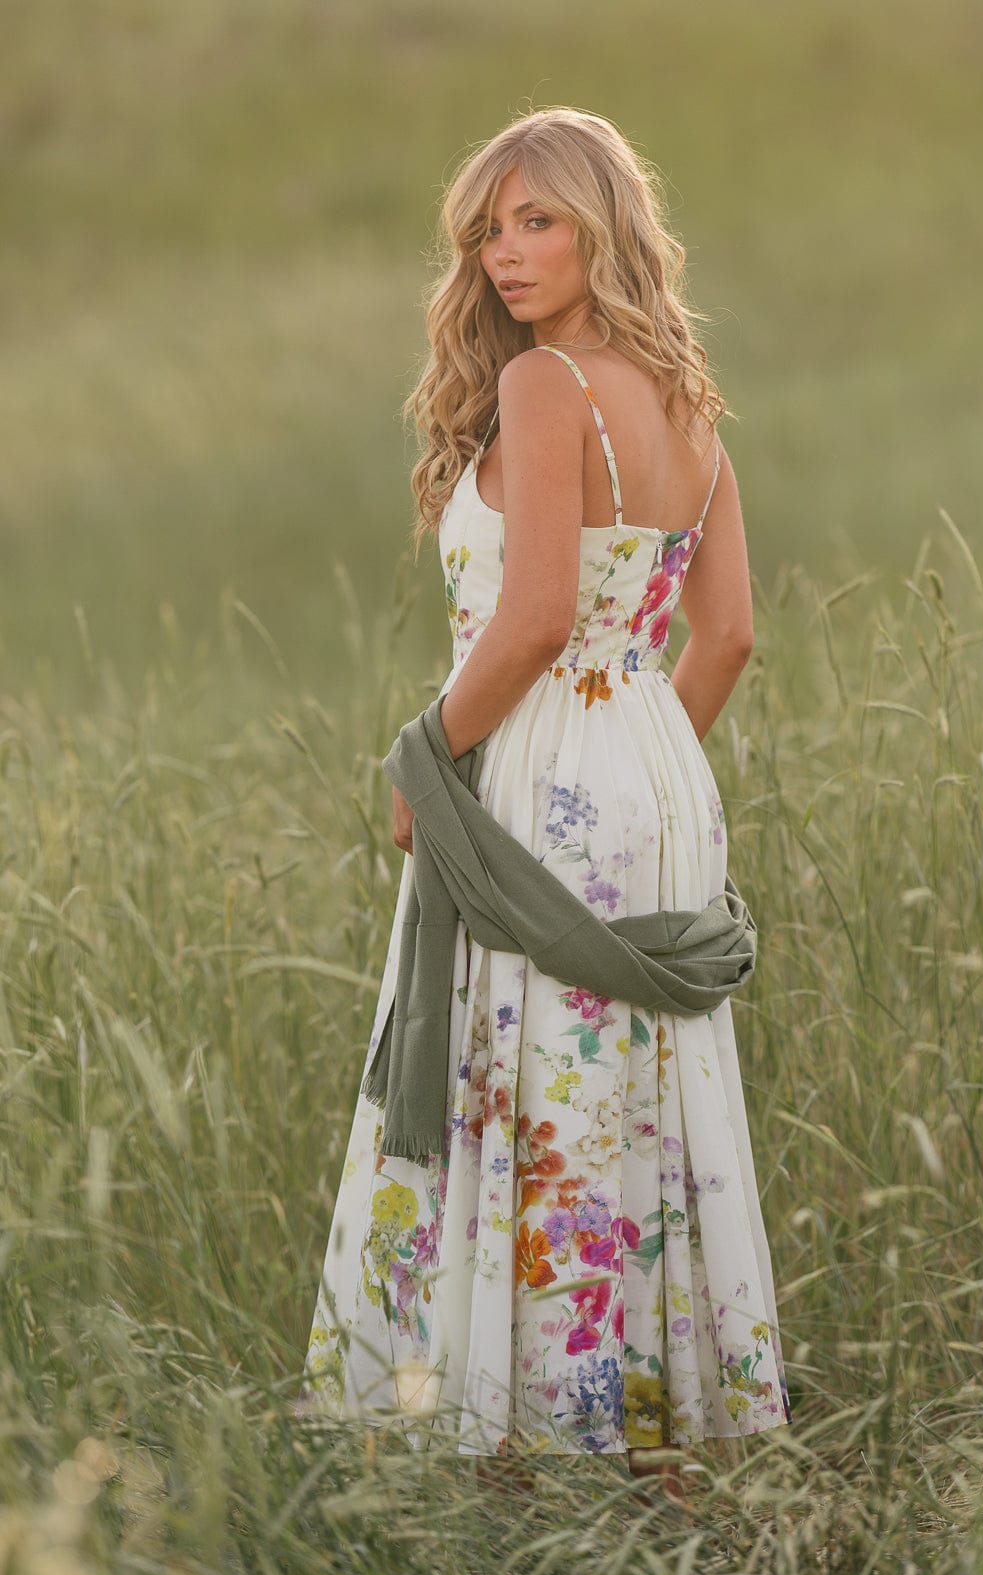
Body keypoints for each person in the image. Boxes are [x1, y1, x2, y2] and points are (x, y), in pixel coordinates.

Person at [297, 106, 792, 1501]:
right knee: (638, 1103)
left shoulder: (545, 384)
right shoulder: (690, 401)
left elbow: (528, 622)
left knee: (520, 1090)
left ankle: (509, 1463)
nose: (505, 255)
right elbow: (727, 637)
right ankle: (656, 1460)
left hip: (529, 769)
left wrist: (425, 761)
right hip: (656, 778)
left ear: (604, 230)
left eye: (539, 222)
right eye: (488, 230)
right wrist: (636, 759)